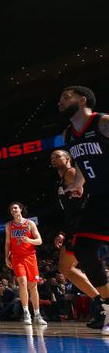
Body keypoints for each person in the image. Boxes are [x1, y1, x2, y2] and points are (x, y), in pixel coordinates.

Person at [59, 85, 109, 334]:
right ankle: (108, 306)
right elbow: (81, 162)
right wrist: (78, 184)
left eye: (65, 97)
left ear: (81, 100)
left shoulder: (103, 122)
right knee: (83, 247)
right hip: (98, 197)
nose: (60, 102)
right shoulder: (69, 135)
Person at [50, 148, 102, 327]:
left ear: (68, 159)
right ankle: (101, 302)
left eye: (57, 156)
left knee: (72, 265)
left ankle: (103, 303)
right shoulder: (61, 180)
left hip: (83, 224)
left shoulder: (72, 173)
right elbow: (69, 210)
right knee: (65, 267)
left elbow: (88, 195)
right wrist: (63, 232)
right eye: (52, 157)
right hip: (73, 226)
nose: (54, 159)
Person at [4, 202, 47, 325]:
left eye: (15, 207)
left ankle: (37, 315)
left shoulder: (30, 223)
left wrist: (29, 240)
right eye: (11, 208)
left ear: (21, 209)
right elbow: (7, 243)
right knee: (22, 282)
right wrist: (6, 257)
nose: (13, 209)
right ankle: (26, 312)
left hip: (30, 257)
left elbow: (39, 241)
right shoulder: (8, 225)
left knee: (33, 286)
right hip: (17, 258)